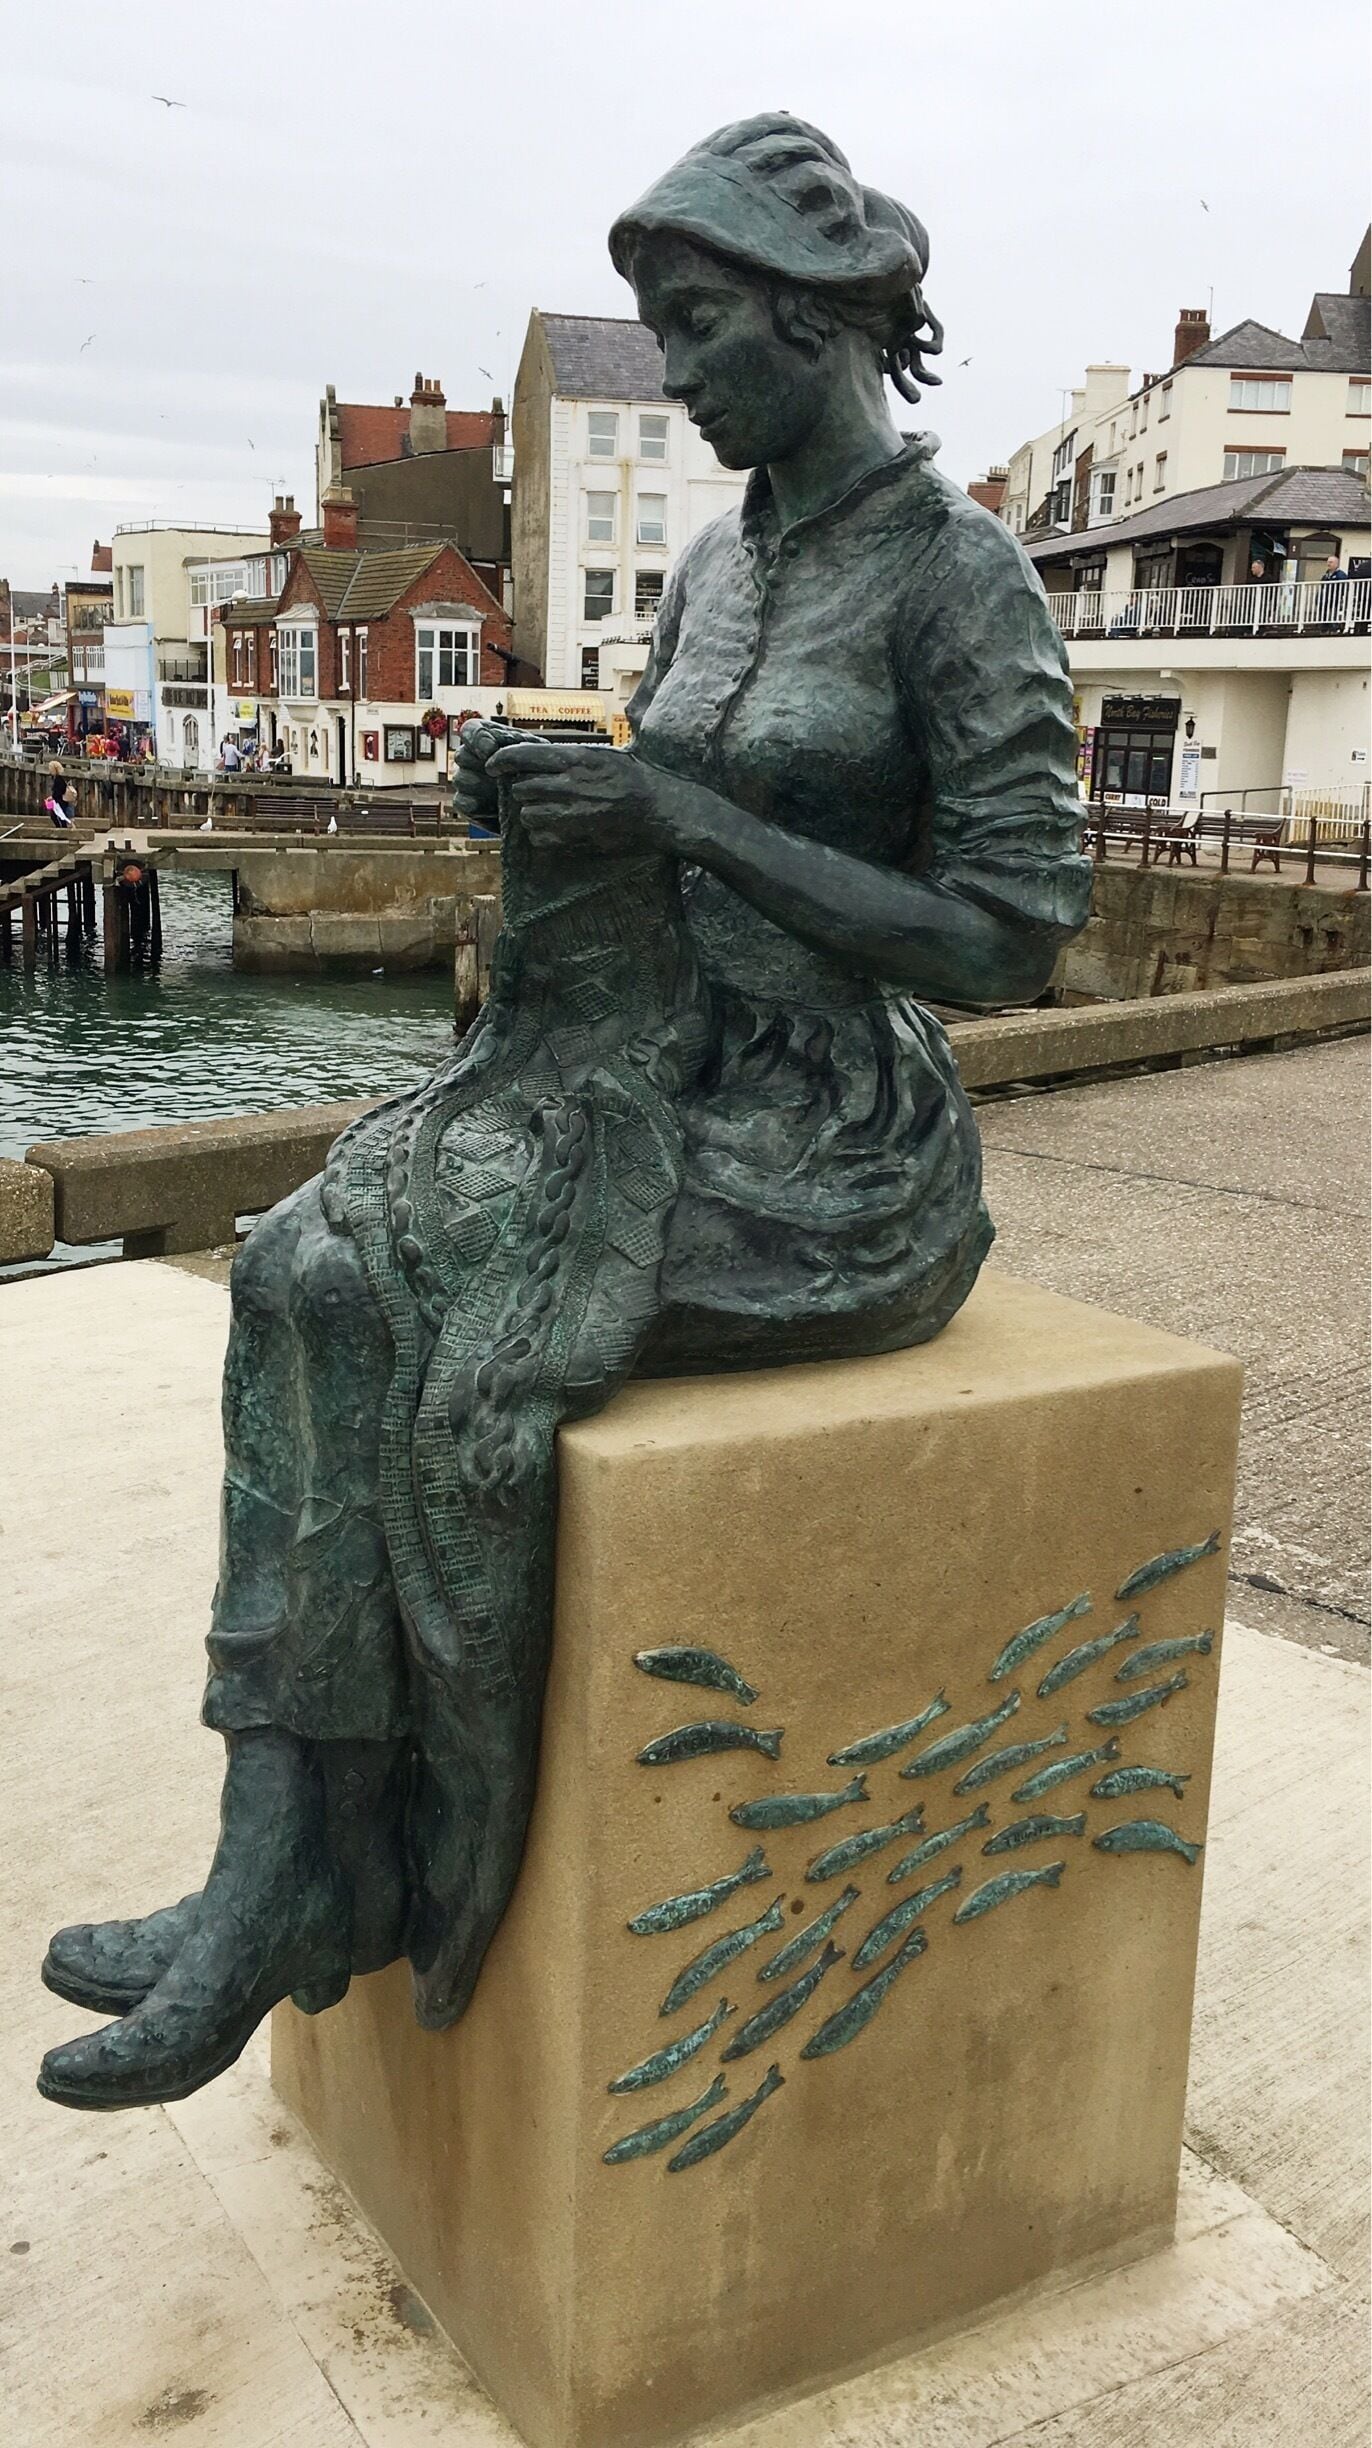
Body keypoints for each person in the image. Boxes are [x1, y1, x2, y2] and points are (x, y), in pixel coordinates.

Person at [38, 114, 1089, 2111]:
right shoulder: (717, 564)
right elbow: (664, 811)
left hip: (832, 1144)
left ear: (812, 314)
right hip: (643, 1070)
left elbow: (1011, 933)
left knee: (418, 1303)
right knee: (297, 1266)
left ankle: (371, 1860)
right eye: (657, 330)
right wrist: (554, 789)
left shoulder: (959, 576)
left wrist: (676, 811)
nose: (674, 373)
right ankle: (282, 1857)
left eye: (694, 324)